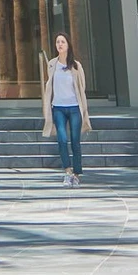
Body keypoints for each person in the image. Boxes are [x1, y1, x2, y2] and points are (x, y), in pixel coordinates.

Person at [40, 29, 89, 182]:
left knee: (75, 140)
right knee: (61, 138)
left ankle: (77, 172)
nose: (60, 44)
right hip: (58, 107)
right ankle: (67, 169)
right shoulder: (52, 64)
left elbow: (82, 86)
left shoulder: (76, 65)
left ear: (68, 45)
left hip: (74, 107)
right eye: (58, 42)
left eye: (63, 42)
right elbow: (50, 85)